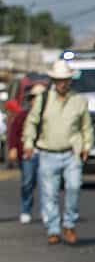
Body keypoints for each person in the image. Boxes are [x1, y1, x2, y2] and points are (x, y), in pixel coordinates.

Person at [23, 61, 93, 246]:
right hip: (48, 152)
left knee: (74, 187)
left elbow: (86, 126)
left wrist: (87, 146)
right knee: (49, 193)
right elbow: (31, 122)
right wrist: (28, 143)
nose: (62, 84)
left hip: (71, 152)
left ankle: (69, 223)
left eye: (65, 80)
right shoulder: (43, 99)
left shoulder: (78, 100)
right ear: (54, 81)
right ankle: (53, 228)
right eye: (59, 80)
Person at [7, 83, 43, 224]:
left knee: (45, 184)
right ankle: (25, 209)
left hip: (46, 152)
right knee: (27, 182)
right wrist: (13, 148)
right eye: (34, 97)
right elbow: (14, 133)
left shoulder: (49, 116)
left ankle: (47, 211)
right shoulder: (23, 116)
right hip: (27, 154)